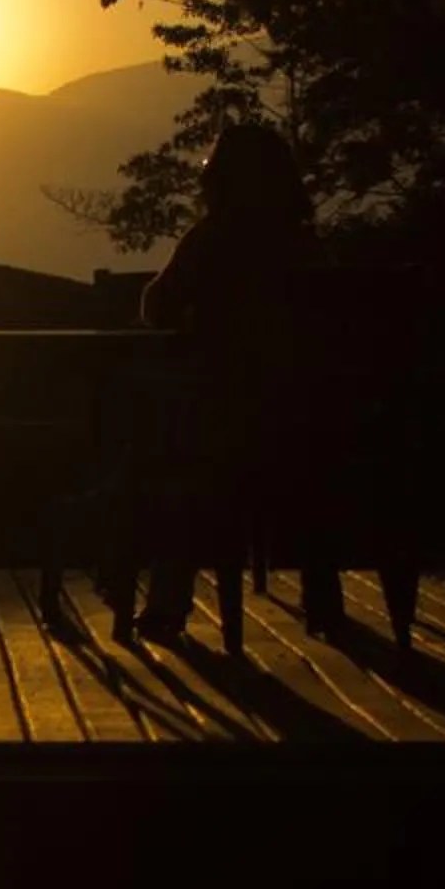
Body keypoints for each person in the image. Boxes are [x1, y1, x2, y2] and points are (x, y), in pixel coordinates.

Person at [132, 122, 323, 643]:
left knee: (184, 476)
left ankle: (167, 604)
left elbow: (158, 306)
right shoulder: (301, 242)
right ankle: (323, 603)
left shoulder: (211, 239)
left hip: (222, 417)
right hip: (300, 421)